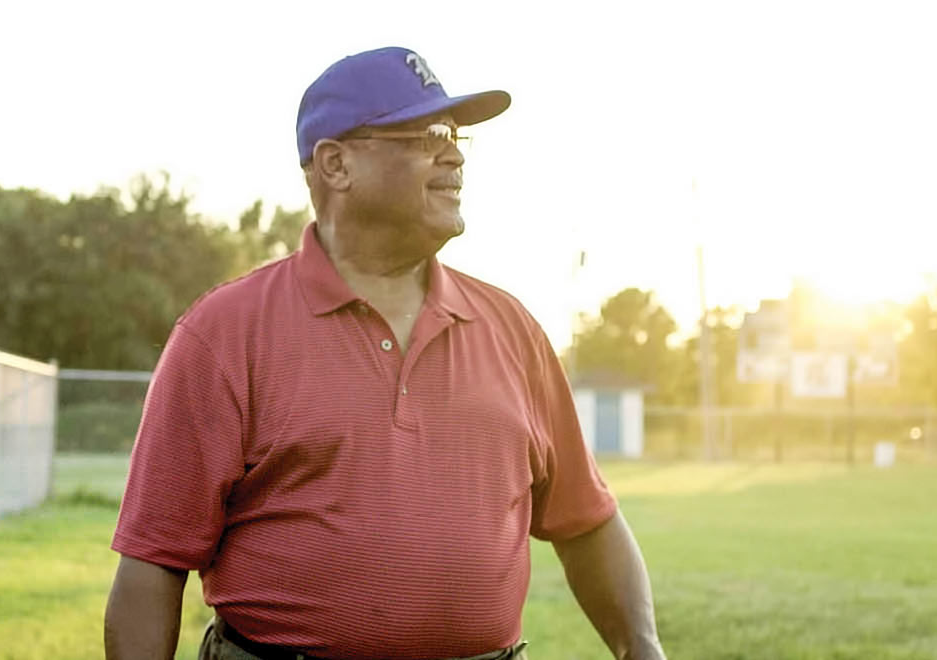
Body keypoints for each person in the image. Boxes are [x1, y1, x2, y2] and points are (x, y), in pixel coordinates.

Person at [104, 46, 667, 660]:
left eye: (455, 136)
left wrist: (643, 649)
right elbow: (152, 565)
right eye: (427, 133)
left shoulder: (513, 329)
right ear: (336, 163)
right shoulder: (224, 333)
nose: (453, 154)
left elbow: (585, 519)